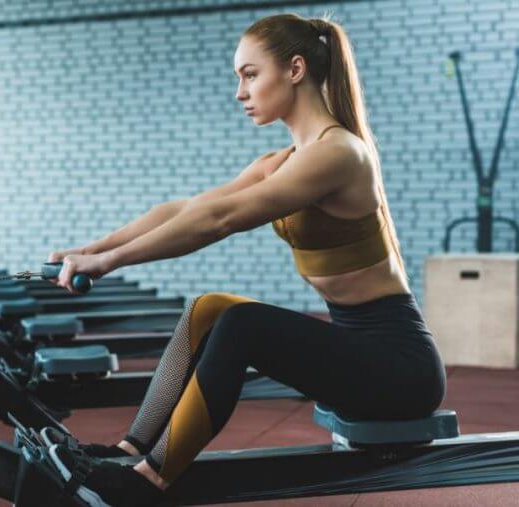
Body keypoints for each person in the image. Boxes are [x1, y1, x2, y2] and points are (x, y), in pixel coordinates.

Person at [42, 12, 446, 507]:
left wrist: (112, 262)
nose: (240, 91)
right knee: (209, 307)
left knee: (243, 324)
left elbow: (222, 220)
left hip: (399, 370)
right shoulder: (280, 161)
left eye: (250, 74)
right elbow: (190, 208)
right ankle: (131, 450)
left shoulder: (339, 152)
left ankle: (147, 482)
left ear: (295, 69)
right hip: (359, 350)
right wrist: (92, 249)